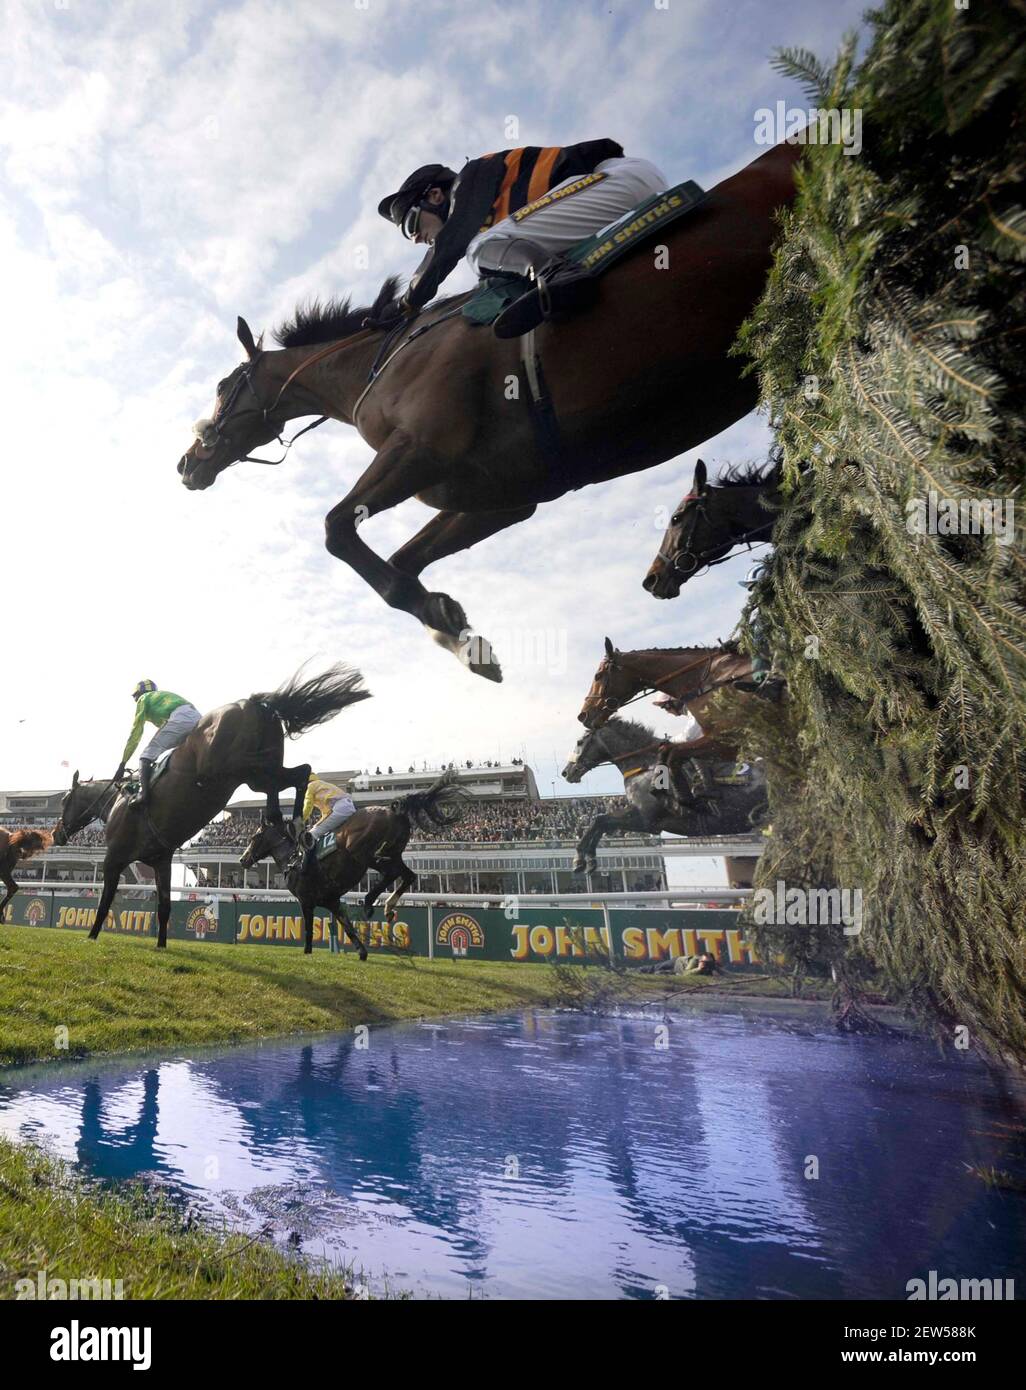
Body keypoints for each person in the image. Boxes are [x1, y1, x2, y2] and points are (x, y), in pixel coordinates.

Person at [374, 140, 667, 335]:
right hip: (611, 198)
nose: (414, 238)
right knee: (496, 266)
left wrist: (406, 304)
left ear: (435, 195)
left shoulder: (472, 177)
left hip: (619, 180)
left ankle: (558, 276)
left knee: (481, 248)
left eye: (411, 223)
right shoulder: (493, 222)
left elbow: (449, 245)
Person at [117, 680, 202, 808]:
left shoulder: (144, 699)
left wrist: (123, 764)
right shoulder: (162, 697)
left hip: (179, 719)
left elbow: (136, 732)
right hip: (197, 718)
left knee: (146, 755)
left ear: (140, 693)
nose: (135, 700)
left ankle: (143, 795)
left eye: (135, 696)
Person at [297, 774, 359, 875]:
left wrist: (300, 820)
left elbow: (308, 806)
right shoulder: (322, 785)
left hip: (340, 808)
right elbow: (326, 814)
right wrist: (316, 824)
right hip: (348, 806)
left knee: (311, 835)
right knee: (318, 829)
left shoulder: (310, 787)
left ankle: (306, 866)